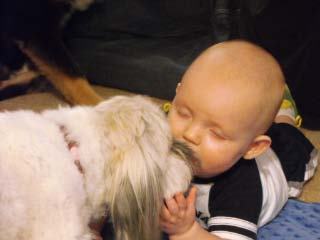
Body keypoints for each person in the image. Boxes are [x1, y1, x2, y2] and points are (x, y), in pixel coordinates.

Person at [160, 40, 319, 240]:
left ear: (253, 147)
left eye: (216, 134)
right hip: (246, 134)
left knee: (286, 131)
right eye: (183, 113)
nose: (190, 134)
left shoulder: (241, 186)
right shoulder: (160, 138)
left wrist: (186, 231)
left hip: (285, 158)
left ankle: (284, 113)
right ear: (177, 93)